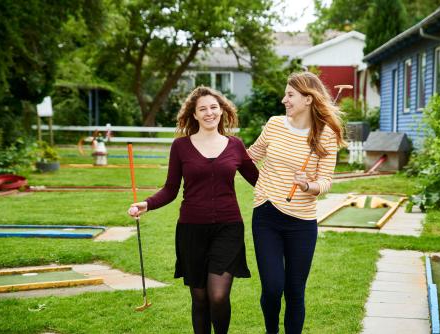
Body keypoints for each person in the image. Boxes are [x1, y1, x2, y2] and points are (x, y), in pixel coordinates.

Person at [128, 86, 258, 334]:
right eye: (203, 109)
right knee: (199, 299)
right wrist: (147, 203)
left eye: (213, 107)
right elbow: (170, 189)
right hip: (191, 231)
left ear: (222, 110)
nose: (209, 113)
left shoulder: (235, 145)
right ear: (194, 115)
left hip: (228, 228)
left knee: (218, 296)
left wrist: (294, 182)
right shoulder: (181, 147)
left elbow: (260, 182)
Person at [247, 72, 345, 334]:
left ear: (308, 99)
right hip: (266, 216)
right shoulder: (274, 125)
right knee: (272, 287)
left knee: (294, 291)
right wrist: (216, 153)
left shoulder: (326, 135)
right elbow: (250, 156)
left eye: (290, 95)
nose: (284, 100)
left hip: (301, 222)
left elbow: (325, 181)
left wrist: (307, 185)